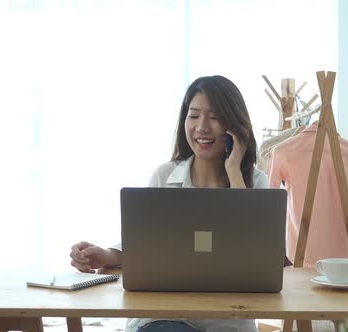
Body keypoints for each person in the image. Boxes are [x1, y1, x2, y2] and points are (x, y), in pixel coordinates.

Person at [70, 75, 269, 332]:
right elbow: (146, 245)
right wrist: (105, 255)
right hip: (165, 320)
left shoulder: (256, 182)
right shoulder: (164, 176)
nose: (202, 127)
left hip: (227, 322)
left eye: (215, 117)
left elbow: (257, 255)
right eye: (194, 115)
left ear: (234, 125)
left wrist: (234, 172)